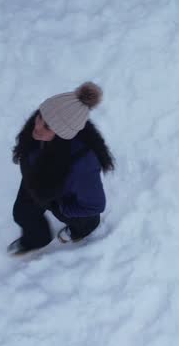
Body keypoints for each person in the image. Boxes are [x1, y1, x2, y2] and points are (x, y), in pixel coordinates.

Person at [7, 82, 115, 256]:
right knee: (22, 213)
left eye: (48, 126)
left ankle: (81, 230)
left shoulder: (82, 163)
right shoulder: (35, 133)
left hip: (63, 198)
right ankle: (37, 239)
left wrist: (63, 207)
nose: (37, 127)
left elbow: (95, 204)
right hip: (38, 182)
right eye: (40, 116)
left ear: (64, 134)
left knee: (83, 220)